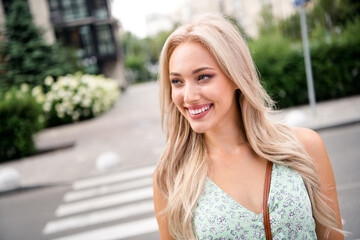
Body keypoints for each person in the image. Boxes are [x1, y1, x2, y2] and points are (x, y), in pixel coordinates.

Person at [153, 14, 344, 240]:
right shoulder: (171, 177)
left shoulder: (304, 147)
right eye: (177, 81)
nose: (189, 96)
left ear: (236, 76)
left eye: (203, 77)